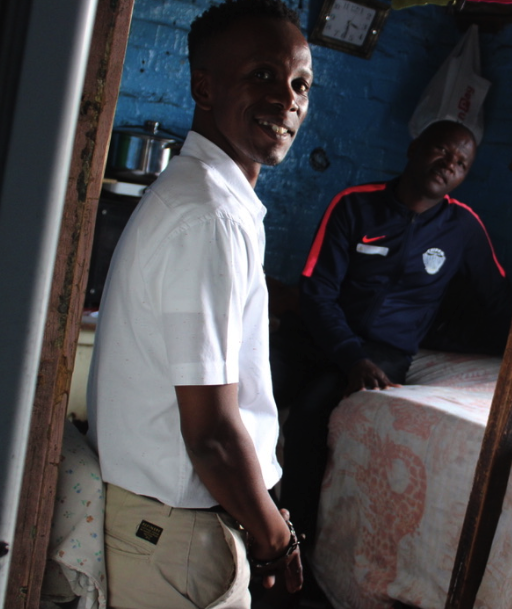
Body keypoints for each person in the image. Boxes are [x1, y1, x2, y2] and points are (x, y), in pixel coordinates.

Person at [86, 1, 312, 608]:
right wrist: (274, 538)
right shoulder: (207, 217)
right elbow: (210, 433)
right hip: (175, 535)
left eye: (300, 84)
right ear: (204, 87)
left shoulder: (214, 202)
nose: (288, 98)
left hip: (176, 527)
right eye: (262, 74)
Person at [273, 119, 512, 545]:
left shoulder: (462, 227)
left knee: (310, 413)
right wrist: (350, 355)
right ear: (414, 149)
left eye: (461, 163)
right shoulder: (354, 205)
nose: (449, 165)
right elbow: (317, 292)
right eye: (442, 151)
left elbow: (497, 297)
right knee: (248, 390)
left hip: (384, 350)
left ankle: (293, 544)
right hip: (317, 336)